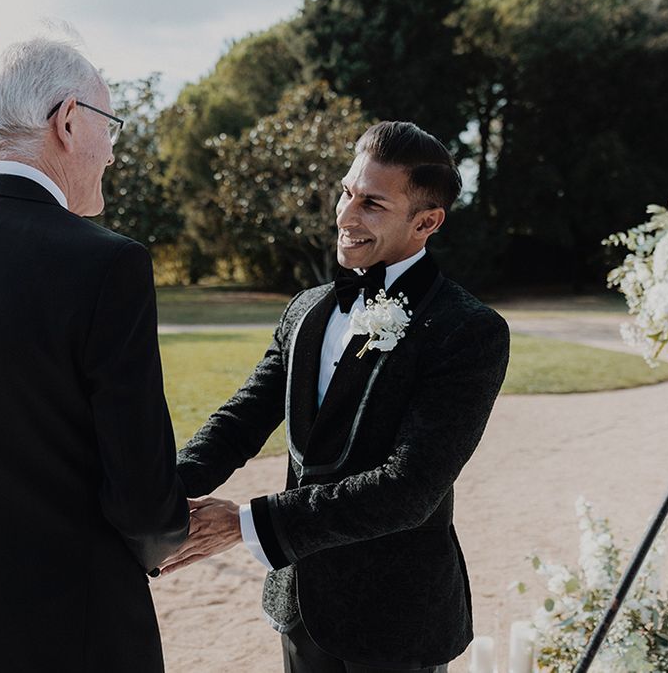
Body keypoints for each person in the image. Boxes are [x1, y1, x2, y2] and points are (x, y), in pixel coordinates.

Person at [163, 121, 510, 672]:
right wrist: (157, 498)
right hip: (299, 604)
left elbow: (410, 488)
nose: (346, 217)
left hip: (399, 617)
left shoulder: (467, 330)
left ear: (427, 221)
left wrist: (247, 523)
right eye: (347, 192)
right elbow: (243, 418)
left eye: (372, 203)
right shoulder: (306, 309)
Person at [0, 27, 188, 673]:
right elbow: (143, 499)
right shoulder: (105, 264)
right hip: (76, 631)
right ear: (67, 122)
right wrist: (169, 535)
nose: (112, 152)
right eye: (110, 125)